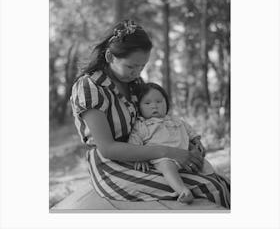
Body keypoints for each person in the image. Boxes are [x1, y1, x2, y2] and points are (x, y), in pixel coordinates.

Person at [70, 19, 230, 208]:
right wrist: (170, 152)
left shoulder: (134, 84)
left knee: (221, 182)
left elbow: (156, 121)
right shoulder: (90, 87)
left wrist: (191, 145)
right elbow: (108, 148)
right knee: (208, 187)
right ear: (110, 56)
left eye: (142, 66)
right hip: (111, 166)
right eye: (131, 66)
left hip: (148, 156)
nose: (137, 73)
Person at [128, 82, 216, 204]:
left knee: (203, 163)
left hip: (186, 155)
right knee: (167, 167)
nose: (154, 106)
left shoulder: (175, 120)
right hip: (162, 158)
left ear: (166, 103)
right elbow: (134, 143)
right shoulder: (141, 125)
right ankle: (183, 191)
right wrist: (140, 158)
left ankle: (214, 179)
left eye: (159, 102)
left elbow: (188, 130)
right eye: (147, 103)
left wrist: (196, 140)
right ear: (139, 107)